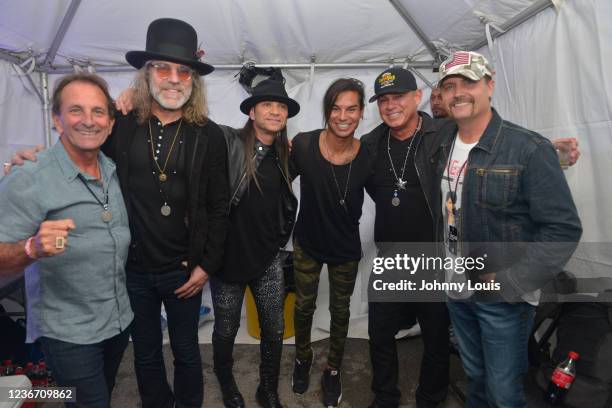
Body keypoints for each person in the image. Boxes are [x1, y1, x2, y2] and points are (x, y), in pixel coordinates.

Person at [435, 50, 582, 407]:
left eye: (468, 82)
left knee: (503, 392)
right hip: (457, 288)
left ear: (490, 85)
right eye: (449, 86)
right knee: (476, 376)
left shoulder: (527, 149)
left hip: (503, 297)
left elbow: (562, 229)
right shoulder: (441, 142)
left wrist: (511, 282)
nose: (459, 92)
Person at [0, 73, 132, 407]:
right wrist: (31, 248)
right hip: (69, 334)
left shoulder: (114, 170)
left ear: (110, 123)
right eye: (76, 110)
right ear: (57, 120)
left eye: (98, 112)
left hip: (117, 323)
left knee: (98, 393)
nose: (88, 120)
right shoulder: (29, 176)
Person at [361, 67, 451, 408]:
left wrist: (544, 149)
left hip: (433, 257)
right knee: (379, 333)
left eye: (398, 96)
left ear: (417, 97)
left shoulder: (444, 132)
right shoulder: (371, 145)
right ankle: (385, 397)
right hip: (391, 258)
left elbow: (488, 143)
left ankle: (431, 397)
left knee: (436, 336)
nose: (390, 105)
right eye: (383, 100)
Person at [213, 76, 299, 408]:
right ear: (252, 111)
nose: (276, 111)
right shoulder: (229, 141)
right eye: (267, 105)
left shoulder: (285, 153)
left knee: (274, 329)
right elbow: (195, 127)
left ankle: (267, 389)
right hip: (228, 260)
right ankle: (226, 382)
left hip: (267, 259)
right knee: (226, 328)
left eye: (281, 106)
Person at [289, 78, 372, 407]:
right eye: (336, 108)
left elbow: (392, 193)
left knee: (341, 313)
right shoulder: (305, 145)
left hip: (344, 249)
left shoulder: (368, 156)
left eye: (351, 108)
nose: (343, 116)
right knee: (304, 307)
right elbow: (276, 182)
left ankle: (333, 369)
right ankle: (302, 358)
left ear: (361, 112)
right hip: (307, 243)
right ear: (326, 112)